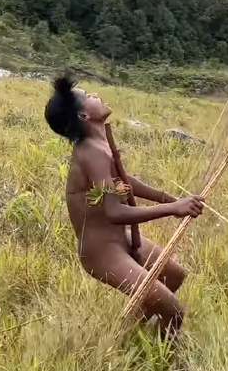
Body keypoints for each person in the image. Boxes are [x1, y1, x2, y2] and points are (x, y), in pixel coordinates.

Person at [44, 75, 204, 337]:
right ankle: (168, 363)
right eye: (89, 97)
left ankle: (130, 333)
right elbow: (114, 212)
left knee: (174, 276)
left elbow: (124, 181)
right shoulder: (91, 152)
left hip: (120, 238)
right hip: (101, 251)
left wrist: (172, 199)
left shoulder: (100, 142)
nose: (95, 95)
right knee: (173, 310)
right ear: (84, 116)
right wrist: (174, 209)